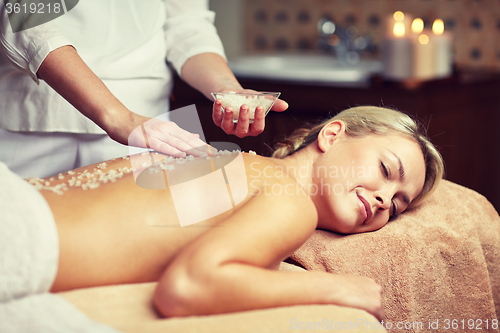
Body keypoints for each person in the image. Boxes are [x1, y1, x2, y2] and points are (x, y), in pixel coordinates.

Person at [1, 106, 444, 325]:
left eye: (399, 204)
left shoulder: (226, 160)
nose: (386, 199)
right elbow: (188, 286)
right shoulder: (288, 199)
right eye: (387, 171)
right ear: (332, 135)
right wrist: (344, 288)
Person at [0, 0, 288, 179]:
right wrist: (120, 117)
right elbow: (26, 17)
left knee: (159, 251)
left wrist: (227, 90)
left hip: (152, 127)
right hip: (34, 121)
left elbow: (187, 27)